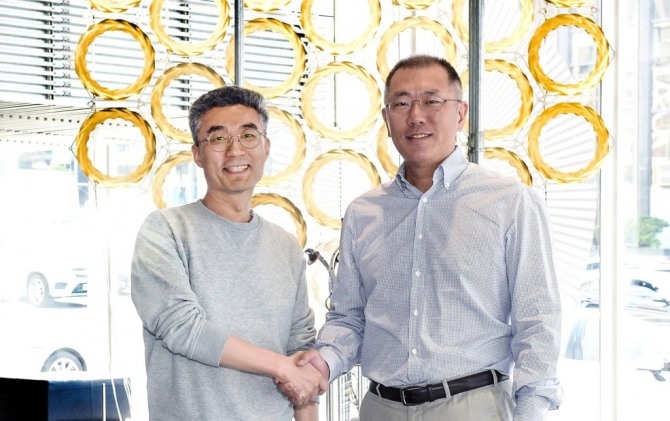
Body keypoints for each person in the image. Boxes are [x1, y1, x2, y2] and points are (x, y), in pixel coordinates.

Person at [284, 55, 563, 420]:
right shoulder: (363, 212)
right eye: (401, 104)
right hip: (380, 408)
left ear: (460, 114)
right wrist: (323, 362)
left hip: (472, 406)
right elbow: (349, 319)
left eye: (432, 101)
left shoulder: (509, 202)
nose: (416, 116)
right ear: (387, 119)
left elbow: (538, 321)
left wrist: (529, 412)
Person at [131, 86, 324, 421]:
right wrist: (281, 366)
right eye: (218, 138)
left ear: (265, 147)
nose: (235, 150)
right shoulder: (165, 230)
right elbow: (182, 327)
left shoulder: (285, 246)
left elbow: (301, 350)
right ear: (197, 154)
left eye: (248, 135)